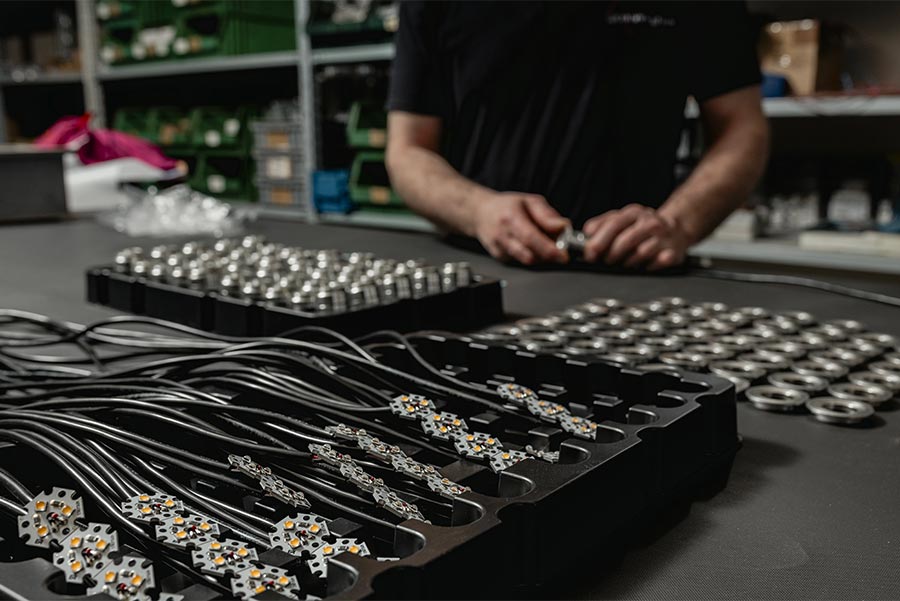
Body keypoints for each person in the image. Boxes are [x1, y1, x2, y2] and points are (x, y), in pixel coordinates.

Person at [385, 1, 769, 270]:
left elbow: (742, 126)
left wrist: (679, 223)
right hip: (484, 266)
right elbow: (408, 150)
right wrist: (479, 211)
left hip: (636, 271)